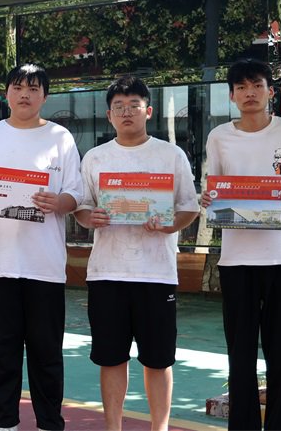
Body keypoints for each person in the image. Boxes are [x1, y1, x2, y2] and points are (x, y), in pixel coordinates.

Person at [73, 76, 199, 431]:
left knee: (158, 360)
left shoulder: (171, 155)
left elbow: (189, 208)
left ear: (149, 111)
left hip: (156, 273)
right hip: (107, 273)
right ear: (109, 115)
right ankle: (114, 427)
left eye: (134, 105)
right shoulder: (95, 157)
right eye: (119, 107)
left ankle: (159, 427)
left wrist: (169, 226)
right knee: (111, 358)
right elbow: (82, 207)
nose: (126, 112)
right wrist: (90, 217)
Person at [0, 64, 83, 431]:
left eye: (33, 88)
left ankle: (50, 423)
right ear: (7, 93)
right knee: (2, 348)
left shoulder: (60, 138)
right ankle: (4, 423)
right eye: (18, 87)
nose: (25, 94)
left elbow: (75, 194)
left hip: (44, 264)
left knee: (47, 351)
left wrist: (58, 202)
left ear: (45, 96)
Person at [201, 58, 281, 431]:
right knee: (241, 354)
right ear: (232, 96)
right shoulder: (219, 136)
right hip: (236, 260)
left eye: (257, 85)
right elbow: (214, 189)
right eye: (242, 87)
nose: (250, 93)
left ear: (270, 91)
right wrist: (207, 199)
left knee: (280, 353)